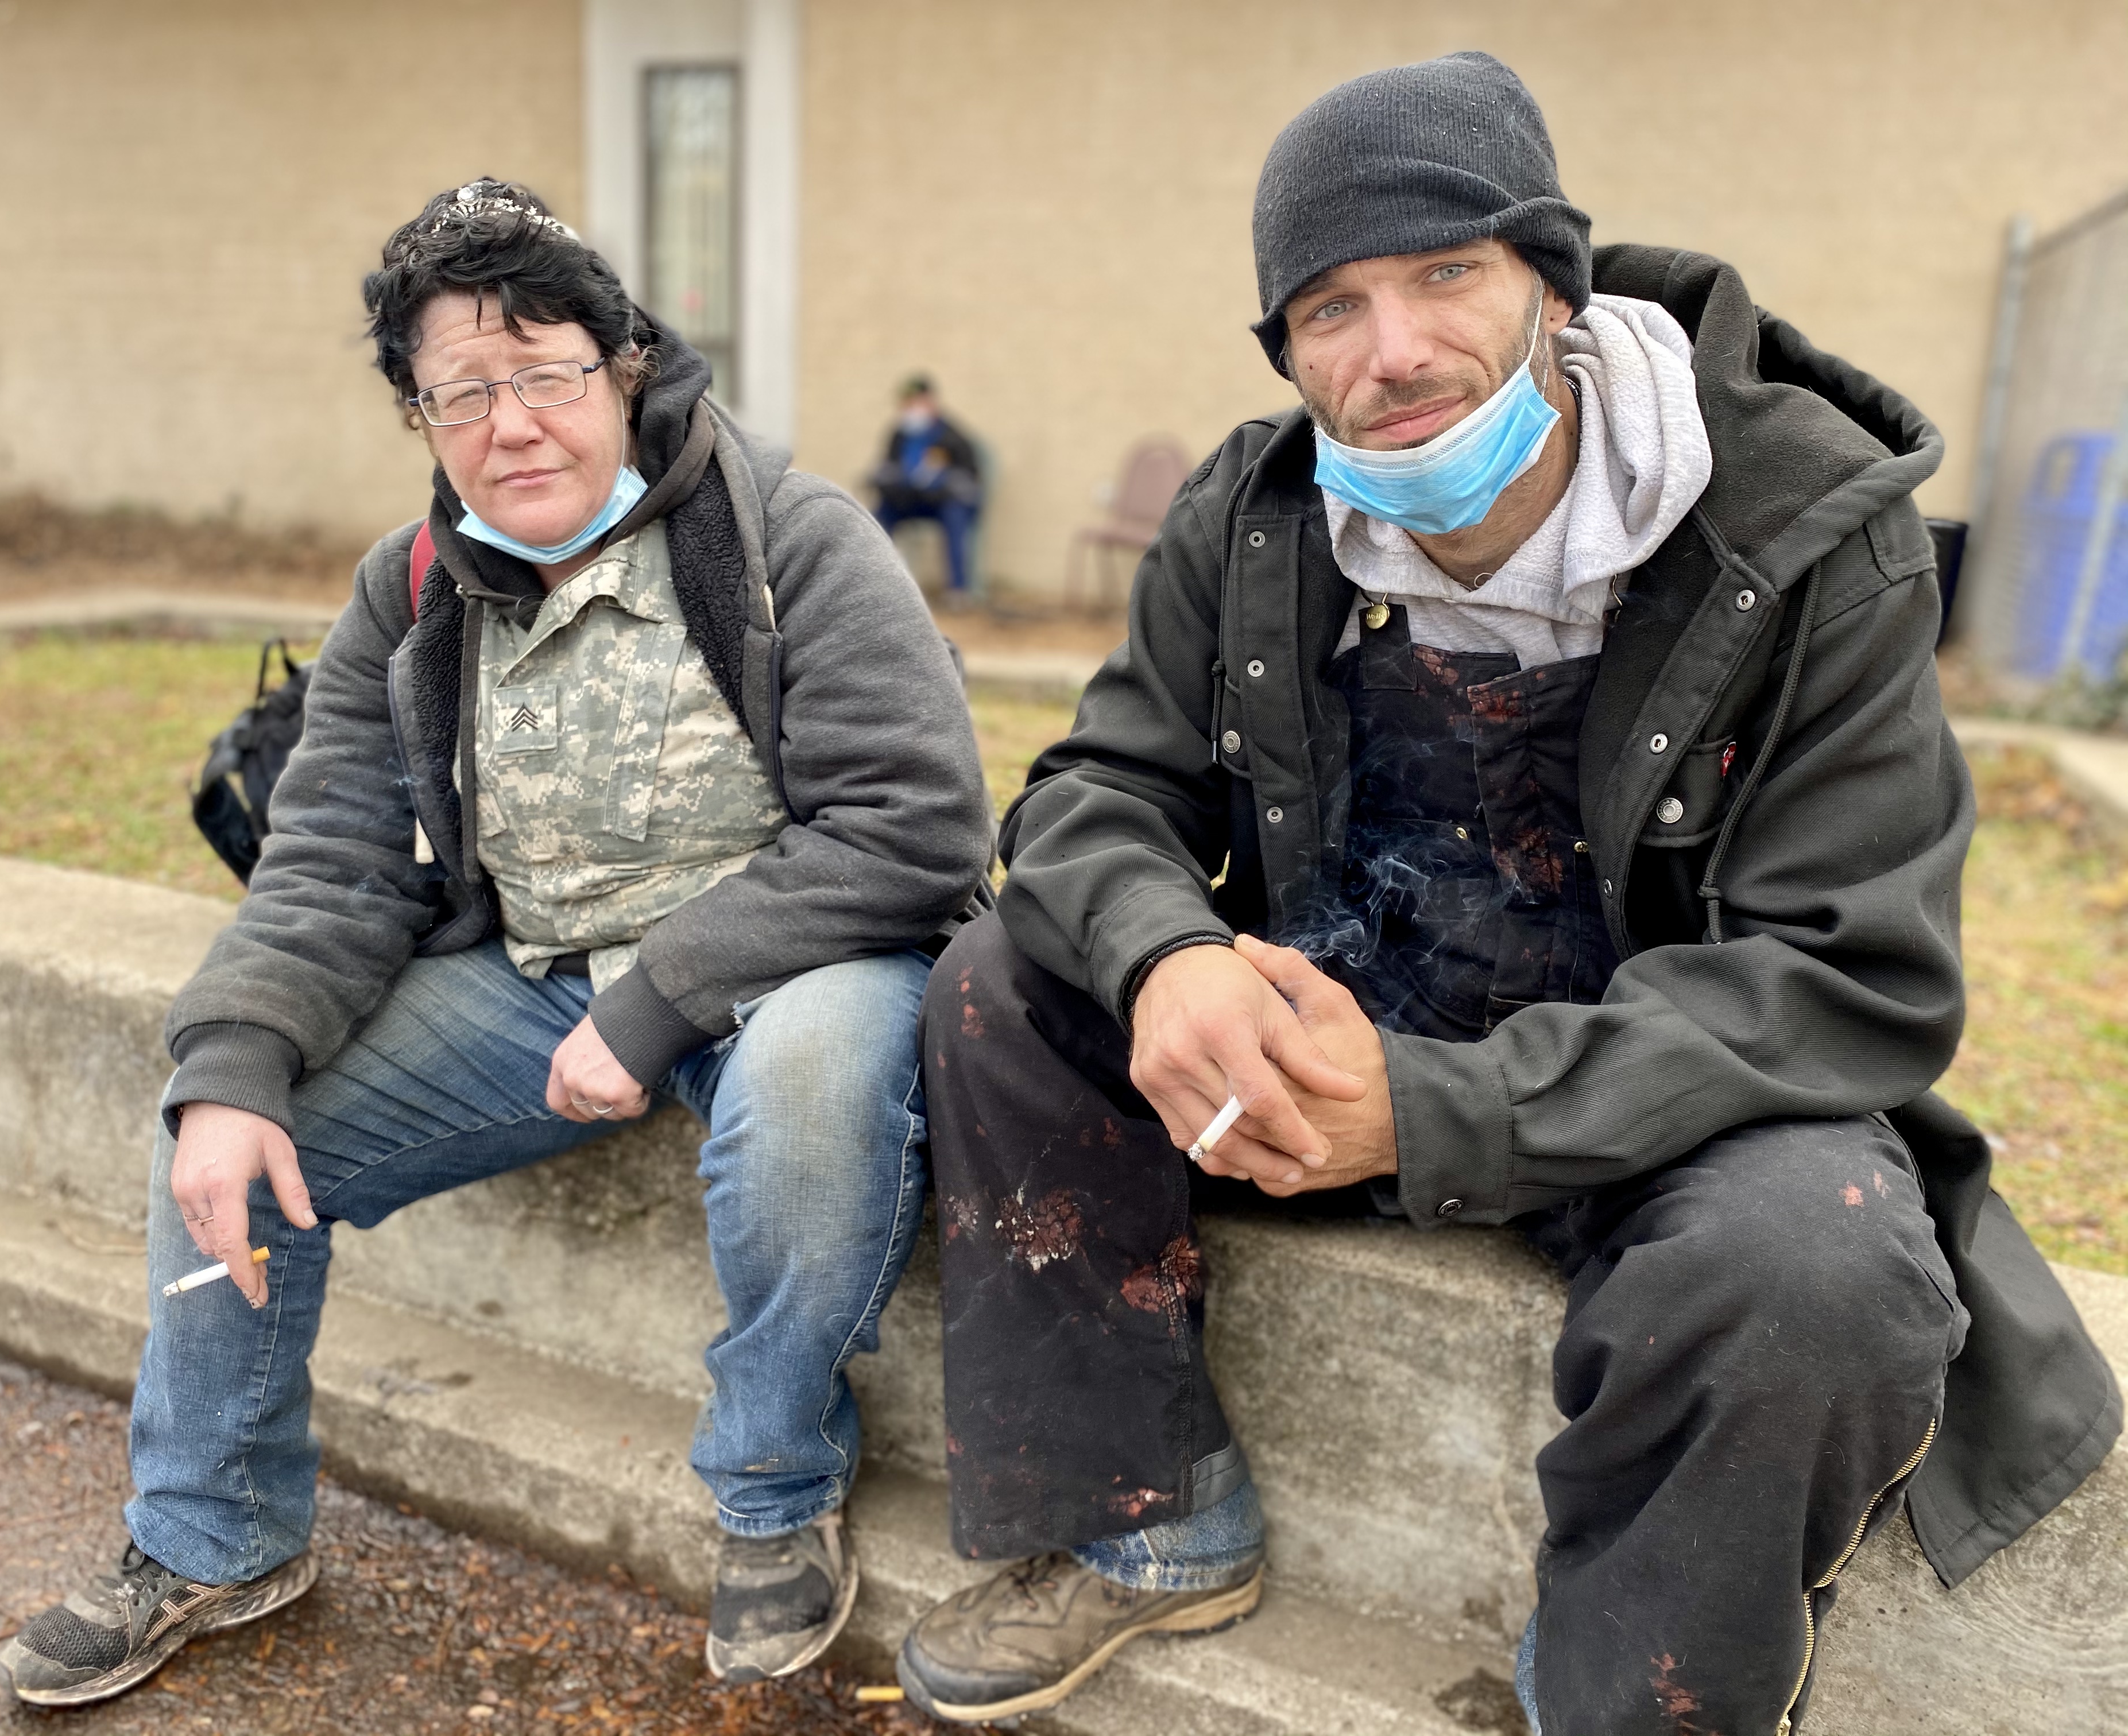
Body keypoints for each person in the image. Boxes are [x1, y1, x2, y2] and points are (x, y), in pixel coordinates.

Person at [897, 54, 2118, 1734]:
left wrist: (1428, 1113)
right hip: (1347, 1006)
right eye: (1329, 308)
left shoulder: (1808, 533)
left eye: (1446, 276)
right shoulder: (1253, 516)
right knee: (997, 986)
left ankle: (1622, 1690)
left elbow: (1845, 975)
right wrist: (1171, 952)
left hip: (1662, 1082)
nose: (1391, 354)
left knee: (1819, 1264)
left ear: (1554, 280)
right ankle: (1144, 1522)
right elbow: (1102, 791)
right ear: (1284, 348)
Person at [0, 179, 992, 1708]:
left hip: (797, 966)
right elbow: (327, 859)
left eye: (546, 375)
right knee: (226, 1126)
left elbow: (913, 824)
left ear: (625, 368)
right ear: (421, 416)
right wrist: (238, 1057)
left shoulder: (792, 534)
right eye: (463, 392)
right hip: (536, 986)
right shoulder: (408, 593)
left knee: (801, 1108)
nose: (511, 422)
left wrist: (660, 1002)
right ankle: (214, 1532)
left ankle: (777, 1489)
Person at [870, 375, 983, 596]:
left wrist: (943, 482)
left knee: (956, 515)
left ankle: (958, 590)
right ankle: (877, 583)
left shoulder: (952, 436)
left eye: (917, 403)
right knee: (880, 514)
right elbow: (887, 468)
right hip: (908, 502)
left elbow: (970, 480)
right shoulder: (899, 435)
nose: (912, 410)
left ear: (931, 403)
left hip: (941, 504)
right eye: (907, 404)